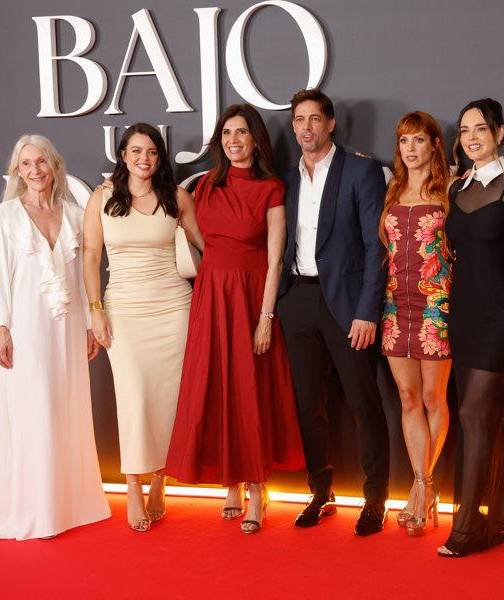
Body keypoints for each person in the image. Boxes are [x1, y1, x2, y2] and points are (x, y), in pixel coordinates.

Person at [166, 104, 305, 534]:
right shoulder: (205, 185)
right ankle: (231, 485)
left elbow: (275, 258)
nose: (233, 140)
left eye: (241, 132)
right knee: (220, 387)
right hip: (212, 296)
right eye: (227, 133)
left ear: (255, 139)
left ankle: (258, 489)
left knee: (250, 389)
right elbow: (203, 242)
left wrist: (265, 316)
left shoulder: (271, 188)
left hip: (250, 297)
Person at [278, 88, 390, 536]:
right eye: (299, 120)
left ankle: (376, 498)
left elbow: (376, 246)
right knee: (309, 405)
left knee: (363, 402)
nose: (306, 128)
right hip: (298, 299)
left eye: (314, 119)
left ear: (330, 124)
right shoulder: (287, 180)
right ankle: (321, 492)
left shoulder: (361, 171)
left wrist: (367, 311)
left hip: (347, 303)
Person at [83, 123, 200, 532]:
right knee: (133, 398)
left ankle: (159, 479)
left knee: (168, 400)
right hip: (124, 311)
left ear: (159, 156)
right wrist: (95, 310)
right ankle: (133, 484)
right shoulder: (101, 198)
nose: (143, 159)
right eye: (136, 151)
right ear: (123, 155)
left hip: (174, 308)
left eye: (151, 152)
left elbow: (206, 246)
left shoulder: (177, 197)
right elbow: (91, 254)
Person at [0, 135, 110, 540]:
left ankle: (72, 505)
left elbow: (85, 272)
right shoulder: (6, 216)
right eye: (26, 164)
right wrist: (1, 326)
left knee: (68, 406)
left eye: (41, 162)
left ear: (55, 165)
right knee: (34, 409)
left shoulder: (75, 214)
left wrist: (89, 324)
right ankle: (36, 509)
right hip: (25, 325)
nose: (35, 170)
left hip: (69, 324)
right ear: (17, 170)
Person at [438, 98, 504, 557]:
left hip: (503, 316)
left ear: (500, 132)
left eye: (480, 128)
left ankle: (467, 528)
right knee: (482, 417)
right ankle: (502, 519)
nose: (471, 137)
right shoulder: (457, 189)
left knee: (474, 415)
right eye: (464, 130)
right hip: (464, 315)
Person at [379, 111, 453, 536]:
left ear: (434, 145)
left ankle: (421, 489)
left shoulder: (450, 191)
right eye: (404, 140)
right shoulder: (391, 191)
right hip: (396, 308)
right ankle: (423, 487)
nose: (410, 148)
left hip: (436, 306)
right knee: (408, 398)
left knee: (432, 396)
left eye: (419, 140)